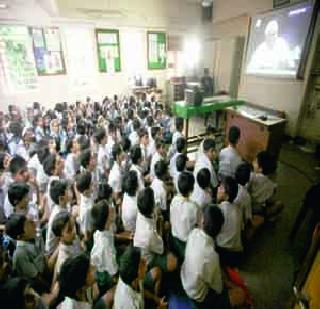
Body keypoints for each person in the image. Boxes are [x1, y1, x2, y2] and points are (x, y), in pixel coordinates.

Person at [181, 205, 245, 309]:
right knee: (240, 295)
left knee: (221, 273)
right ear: (219, 231)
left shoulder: (193, 234)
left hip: (185, 281)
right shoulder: (211, 255)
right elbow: (218, 288)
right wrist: (227, 283)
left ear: (202, 222)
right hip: (199, 297)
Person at [170, 171, 199, 261]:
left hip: (174, 239)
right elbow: (198, 224)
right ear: (192, 189)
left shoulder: (174, 200)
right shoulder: (194, 207)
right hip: (187, 243)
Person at [90, 200, 118, 293]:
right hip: (105, 277)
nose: (113, 208)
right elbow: (113, 272)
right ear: (106, 219)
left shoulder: (102, 230)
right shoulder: (106, 247)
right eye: (110, 210)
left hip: (104, 263)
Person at [248, 150, 284, 222]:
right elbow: (270, 196)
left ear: (260, 169)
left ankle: (264, 216)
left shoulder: (251, 177)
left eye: (255, 161)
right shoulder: (272, 185)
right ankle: (268, 215)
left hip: (250, 206)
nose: (253, 161)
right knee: (279, 204)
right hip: (260, 207)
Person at [216, 177, 243, 267]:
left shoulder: (219, 209)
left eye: (221, 188)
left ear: (227, 196)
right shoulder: (238, 209)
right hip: (238, 254)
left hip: (223, 252)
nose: (218, 189)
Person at [52, 211, 79, 283]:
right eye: (69, 230)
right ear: (60, 237)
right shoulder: (64, 259)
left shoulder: (74, 239)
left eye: (74, 225)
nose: (74, 231)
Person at [76, 171, 94, 240]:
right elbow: (86, 233)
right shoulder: (87, 209)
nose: (93, 184)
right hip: (89, 236)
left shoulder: (86, 195)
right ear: (86, 191)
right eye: (91, 184)